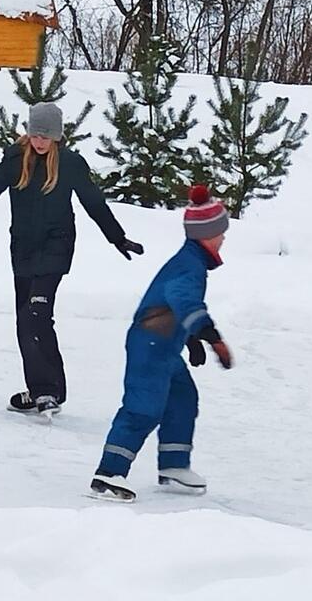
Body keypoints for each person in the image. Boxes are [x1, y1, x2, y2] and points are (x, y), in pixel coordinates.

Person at [0, 102, 143, 417]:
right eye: (35, 134)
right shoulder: (16, 161)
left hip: (56, 248)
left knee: (36, 313)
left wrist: (116, 236)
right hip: (23, 249)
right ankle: (39, 391)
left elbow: (94, 202)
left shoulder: (71, 164)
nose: (40, 141)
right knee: (25, 321)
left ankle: (49, 391)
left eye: (46, 136)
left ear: (57, 136)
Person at [88, 185, 233, 503]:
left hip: (165, 346)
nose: (223, 239)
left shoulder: (190, 261)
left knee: (182, 399)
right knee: (144, 408)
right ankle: (108, 474)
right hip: (150, 345)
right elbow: (183, 300)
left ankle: (174, 465)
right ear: (206, 234)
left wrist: (191, 338)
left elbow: (176, 304)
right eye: (221, 233)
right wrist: (212, 338)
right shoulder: (190, 266)